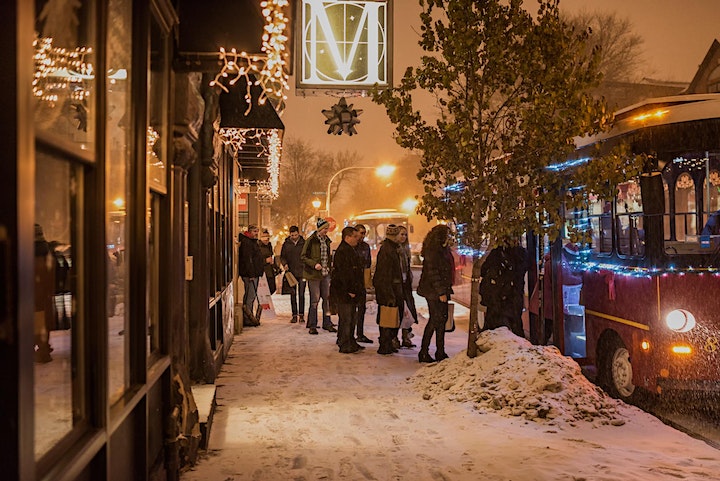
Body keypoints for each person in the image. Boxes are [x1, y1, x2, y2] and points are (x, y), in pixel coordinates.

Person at [416, 224, 455, 363]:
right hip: (434, 292)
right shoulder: (433, 251)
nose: (450, 237)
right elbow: (433, 274)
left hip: (440, 290)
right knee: (434, 320)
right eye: (448, 235)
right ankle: (424, 351)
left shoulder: (442, 249)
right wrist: (441, 292)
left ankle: (440, 351)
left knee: (441, 320)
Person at [479, 239, 528, 337]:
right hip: (514, 294)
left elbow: (483, 270)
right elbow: (523, 269)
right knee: (515, 324)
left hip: (498, 296)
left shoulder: (496, 253)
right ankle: (517, 345)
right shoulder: (522, 253)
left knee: (496, 324)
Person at [330, 226, 366, 353]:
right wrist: (348, 290)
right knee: (347, 318)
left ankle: (350, 340)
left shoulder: (350, 250)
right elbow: (343, 274)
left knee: (351, 317)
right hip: (345, 291)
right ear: (347, 237)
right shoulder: (343, 251)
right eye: (355, 237)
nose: (358, 239)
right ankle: (345, 343)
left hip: (351, 290)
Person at [373, 224, 404, 355]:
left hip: (390, 288)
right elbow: (385, 274)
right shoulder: (388, 250)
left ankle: (387, 342)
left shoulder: (391, 248)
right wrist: (390, 294)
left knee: (390, 316)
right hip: (389, 289)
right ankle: (385, 343)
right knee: (387, 316)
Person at [301, 218, 336, 335]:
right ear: (320, 229)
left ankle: (327, 323)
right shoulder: (311, 240)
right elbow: (303, 256)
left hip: (325, 274)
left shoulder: (327, 241)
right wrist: (314, 264)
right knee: (314, 300)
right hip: (314, 275)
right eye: (325, 228)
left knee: (326, 299)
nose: (327, 231)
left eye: (327, 228)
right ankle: (312, 325)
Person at [238, 224, 265, 326]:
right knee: (250, 295)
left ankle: (249, 315)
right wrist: (251, 274)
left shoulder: (252, 242)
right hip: (250, 274)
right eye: (254, 231)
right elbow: (247, 260)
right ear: (249, 231)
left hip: (253, 273)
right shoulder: (247, 242)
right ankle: (247, 317)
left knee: (251, 295)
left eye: (257, 231)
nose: (256, 233)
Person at [279, 225, 306, 324]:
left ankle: (301, 315)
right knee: (293, 294)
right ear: (289, 235)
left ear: (298, 233)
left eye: (295, 235)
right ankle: (294, 315)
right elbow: (282, 256)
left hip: (302, 272)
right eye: (292, 235)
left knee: (302, 294)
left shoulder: (304, 243)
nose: (294, 237)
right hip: (291, 273)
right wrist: (284, 264)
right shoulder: (286, 244)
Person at [397, 225, 417, 348]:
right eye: (401, 234)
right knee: (398, 312)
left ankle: (406, 336)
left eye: (405, 234)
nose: (404, 236)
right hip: (398, 284)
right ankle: (395, 337)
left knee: (408, 311)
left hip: (406, 284)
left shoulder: (406, 249)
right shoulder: (395, 249)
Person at [353, 224, 373, 343]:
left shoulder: (365, 247)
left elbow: (368, 262)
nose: (363, 235)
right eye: (361, 233)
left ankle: (360, 333)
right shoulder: (352, 246)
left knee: (361, 308)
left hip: (362, 280)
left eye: (364, 233)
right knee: (351, 310)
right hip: (353, 280)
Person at [258, 228, 278, 295]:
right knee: (264, 291)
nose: (266, 239)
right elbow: (256, 260)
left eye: (267, 237)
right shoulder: (258, 246)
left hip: (270, 271)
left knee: (272, 288)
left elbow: (271, 256)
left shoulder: (269, 245)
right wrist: (265, 261)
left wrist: (275, 267)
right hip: (262, 272)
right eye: (264, 237)